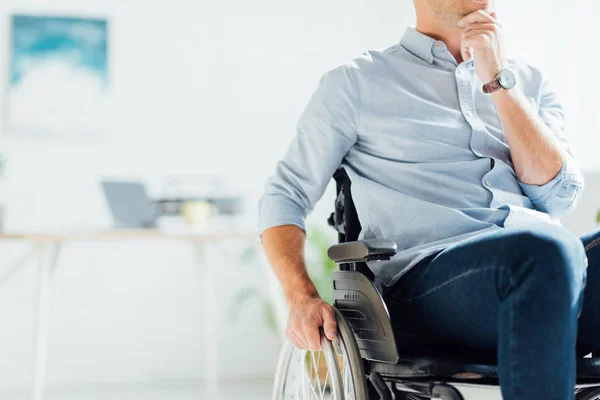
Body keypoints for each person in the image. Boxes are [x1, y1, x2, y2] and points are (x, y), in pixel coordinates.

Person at [258, 0, 599, 398]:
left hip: (550, 270)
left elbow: (559, 198)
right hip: (428, 286)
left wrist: (497, 80)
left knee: (550, 252)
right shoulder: (356, 83)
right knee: (543, 252)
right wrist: (301, 297)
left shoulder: (529, 82)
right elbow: (285, 194)